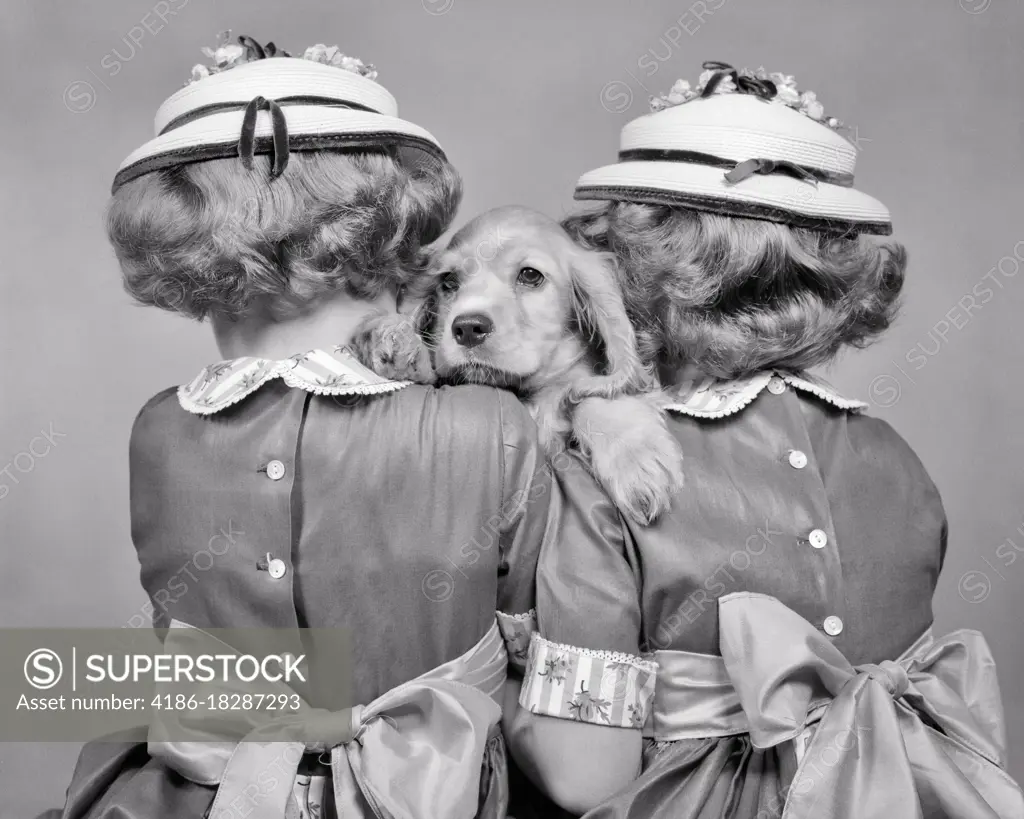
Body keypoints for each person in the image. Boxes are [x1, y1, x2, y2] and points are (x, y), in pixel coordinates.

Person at [39, 33, 639, 819]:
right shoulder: (490, 428)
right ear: (390, 225)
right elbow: (587, 771)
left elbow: (154, 680)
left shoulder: (158, 433)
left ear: (180, 240)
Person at [509, 61, 1024, 818]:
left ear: (633, 261)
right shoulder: (897, 459)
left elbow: (585, 773)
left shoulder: (610, 472)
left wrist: (506, 672)